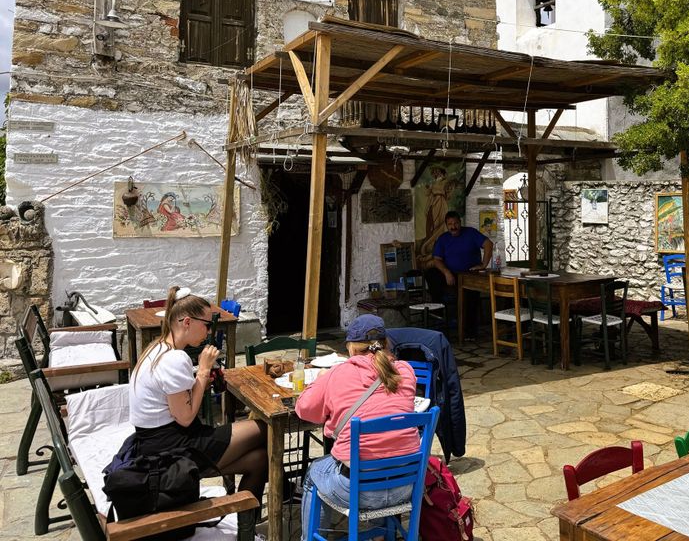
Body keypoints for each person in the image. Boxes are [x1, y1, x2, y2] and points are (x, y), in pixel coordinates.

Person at [128, 285, 267, 505]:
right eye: (206, 325)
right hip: (171, 450)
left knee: (259, 460)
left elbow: (177, 405)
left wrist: (198, 382)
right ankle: (282, 491)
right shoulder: (174, 359)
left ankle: (246, 527)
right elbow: (185, 417)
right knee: (265, 429)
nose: (209, 332)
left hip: (154, 444)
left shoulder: (156, 348)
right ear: (187, 322)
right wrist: (202, 371)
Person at [296, 315, 418, 541]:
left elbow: (304, 410)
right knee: (382, 452)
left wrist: (319, 380)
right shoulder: (406, 371)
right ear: (386, 342)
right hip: (406, 486)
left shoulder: (337, 374)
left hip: (359, 492)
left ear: (351, 347)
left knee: (315, 472)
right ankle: (381, 535)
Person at [426, 210, 493, 339]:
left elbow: (488, 244)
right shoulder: (443, 238)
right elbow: (437, 259)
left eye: (455, 223)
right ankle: (438, 309)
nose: (453, 226)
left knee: (470, 296)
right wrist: (446, 272)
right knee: (431, 273)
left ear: (460, 223)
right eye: (450, 224)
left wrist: (484, 265)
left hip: (469, 274)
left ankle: (469, 333)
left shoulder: (471, 233)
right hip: (451, 274)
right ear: (446, 225)